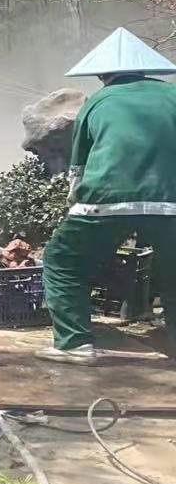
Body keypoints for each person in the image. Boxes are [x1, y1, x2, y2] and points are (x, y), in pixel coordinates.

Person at [38, 28, 176, 365]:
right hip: (171, 201)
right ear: (144, 68)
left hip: (104, 200)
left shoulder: (97, 102)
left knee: (64, 260)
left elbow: (78, 167)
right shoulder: (172, 95)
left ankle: (74, 344)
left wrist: (74, 203)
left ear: (102, 74)